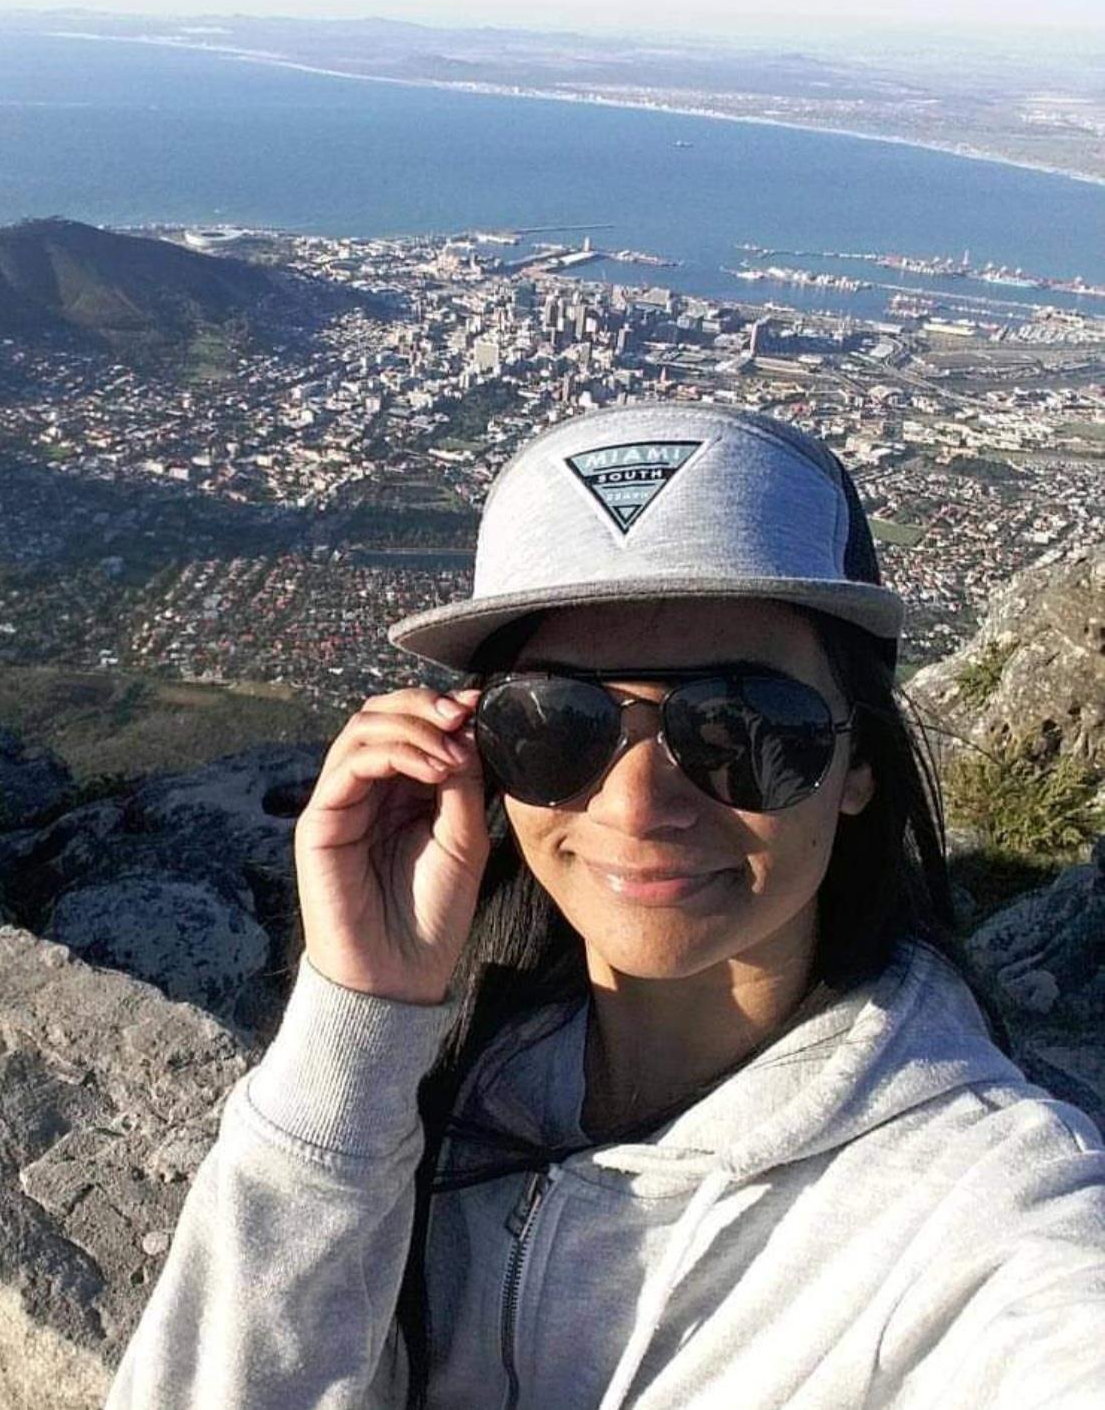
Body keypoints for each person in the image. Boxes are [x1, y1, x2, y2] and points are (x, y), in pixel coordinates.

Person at [104, 403, 1105, 1410]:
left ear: (857, 765)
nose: (635, 806)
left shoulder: (982, 1204)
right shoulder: (455, 1074)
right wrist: (356, 1023)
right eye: (556, 723)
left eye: (739, 725)